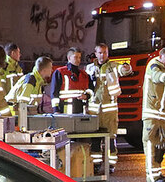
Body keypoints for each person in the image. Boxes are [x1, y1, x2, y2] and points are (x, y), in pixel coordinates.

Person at [86, 42, 130, 173]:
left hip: (110, 109)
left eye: (104, 52)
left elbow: (124, 70)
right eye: (100, 52)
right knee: (95, 138)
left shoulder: (113, 66)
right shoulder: (89, 68)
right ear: (95, 53)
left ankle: (111, 164)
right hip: (94, 110)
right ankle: (95, 164)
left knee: (111, 138)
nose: (102, 55)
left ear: (108, 53)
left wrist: (127, 67)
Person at [142, 42, 165, 182]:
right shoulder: (154, 66)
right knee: (150, 145)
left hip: (160, 115)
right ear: (160, 56)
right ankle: (151, 177)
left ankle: (156, 174)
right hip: (152, 114)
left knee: (158, 147)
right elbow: (156, 76)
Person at [53, 47, 90, 114]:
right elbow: (54, 93)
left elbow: (90, 90)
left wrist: (86, 96)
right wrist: (56, 110)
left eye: (79, 57)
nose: (78, 60)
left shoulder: (84, 74)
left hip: (81, 111)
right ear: (69, 58)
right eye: (76, 57)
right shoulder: (60, 72)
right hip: (64, 110)